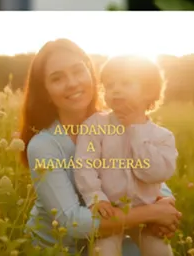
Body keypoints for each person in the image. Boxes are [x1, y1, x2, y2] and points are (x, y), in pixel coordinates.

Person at [19, 40, 181, 254]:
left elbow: (144, 172)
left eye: (78, 71)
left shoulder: (119, 121)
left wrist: (165, 201)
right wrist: (152, 213)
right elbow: (71, 221)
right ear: (46, 92)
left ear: (91, 74)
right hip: (60, 247)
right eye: (57, 78)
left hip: (114, 233)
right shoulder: (44, 145)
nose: (72, 83)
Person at [73, 54, 177, 256]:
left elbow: (154, 174)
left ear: (148, 91)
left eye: (126, 83)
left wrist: (136, 130)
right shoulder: (95, 126)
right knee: (103, 252)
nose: (116, 90)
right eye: (110, 85)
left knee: (161, 252)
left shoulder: (162, 137)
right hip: (110, 212)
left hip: (147, 216)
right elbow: (85, 165)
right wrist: (96, 198)